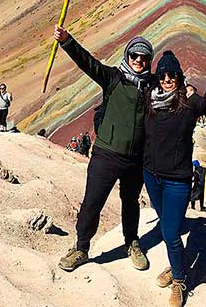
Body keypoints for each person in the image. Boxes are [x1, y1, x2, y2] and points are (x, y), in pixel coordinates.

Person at [53, 24, 154, 273]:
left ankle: (131, 243)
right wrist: (67, 41)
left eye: (144, 57)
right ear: (127, 56)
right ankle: (81, 247)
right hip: (107, 154)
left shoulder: (152, 87)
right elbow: (88, 63)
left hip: (136, 158)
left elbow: (175, 89)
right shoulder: (113, 78)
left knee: (130, 202)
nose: (138, 61)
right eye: (134, 56)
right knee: (92, 202)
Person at [143, 50, 206, 307]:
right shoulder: (149, 99)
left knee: (169, 232)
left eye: (173, 75)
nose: (168, 79)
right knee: (169, 225)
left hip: (177, 180)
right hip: (151, 175)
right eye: (164, 74)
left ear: (179, 77)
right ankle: (176, 264)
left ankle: (179, 280)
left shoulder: (188, 103)